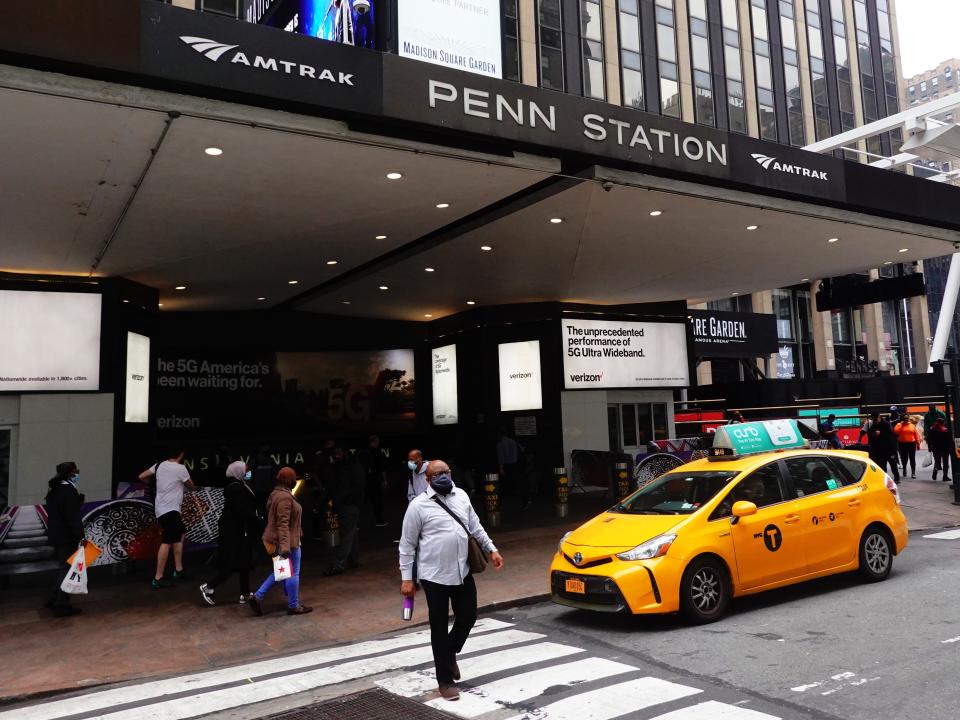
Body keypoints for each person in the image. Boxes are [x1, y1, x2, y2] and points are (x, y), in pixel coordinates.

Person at [399, 460, 504, 701]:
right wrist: (407, 578)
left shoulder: (462, 496)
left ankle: (449, 652)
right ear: (428, 479)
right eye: (437, 474)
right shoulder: (418, 506)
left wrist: (492, 549)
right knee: (438, 627)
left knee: (469, 616)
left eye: (446, 472)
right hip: (434, 575)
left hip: (462, 570)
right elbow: (407, 545)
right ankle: (444, 681)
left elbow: (475, 527)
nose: (443, 476)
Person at [248, 467, 311, 616]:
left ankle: (257, 597)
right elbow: (282, 524)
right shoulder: (284, 497)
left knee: (281, 572)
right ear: (289, 480)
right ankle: (293, 605)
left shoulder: (276, 493)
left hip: (277, 540)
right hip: (285, 542)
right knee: (292, 573)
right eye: (294, 477)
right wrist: (285, 547)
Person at [200, 461, 262, 606]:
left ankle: (245, 593)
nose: (249, 472)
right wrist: (258, 521)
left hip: (239, 530)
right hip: (233, 532)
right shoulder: (235, 488)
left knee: (244, 562)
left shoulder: (239, 485)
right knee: (232, 564)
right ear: (238, 471)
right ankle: (209, 586)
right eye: (246, 470)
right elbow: (242, 510)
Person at [139, 449, 194, 589]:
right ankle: (158, 577)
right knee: (167, 541)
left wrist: (153, 484)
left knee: (180, 533)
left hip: (161, 509)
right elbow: (191, 485)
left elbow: (142, 476)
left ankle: (179, 569)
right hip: (171, 509)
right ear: (181, 454)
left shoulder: (159, 465)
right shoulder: (180, 468)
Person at [44, 461, 86, 617]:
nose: (77, 474)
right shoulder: (68, 490)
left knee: (63, 567)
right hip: (66, 535)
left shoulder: (54, 489)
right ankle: (62, 603)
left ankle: (54, 598)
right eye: (76, 471)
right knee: (67, 569)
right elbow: (72, 516)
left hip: (56, 534)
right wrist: (80, 535)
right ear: (69, 473)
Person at [325, 447, 365, 576]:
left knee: (345, 535)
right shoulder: (346, 467)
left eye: (338, 453)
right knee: (351, 533)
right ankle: (353, 559)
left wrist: (344, 500)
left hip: (348, 505)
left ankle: (338, 564)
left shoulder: (348, 467)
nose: (336, 456)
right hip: (348, 504)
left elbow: (355, 487)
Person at [359, 435, 388, 527]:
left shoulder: (362, 452)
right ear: (375, 442)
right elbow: (382, 468)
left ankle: (356, 523)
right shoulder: (378, 452)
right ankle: (379, 520)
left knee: (361, 501)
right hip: (374, 480)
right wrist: (384, 479)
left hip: (363, 480)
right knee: (376, 501)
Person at [869, 414, 900, 484]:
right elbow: (870, 434)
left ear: (879, 417)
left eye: (876, 419)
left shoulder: (886, 424)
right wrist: (874, 434)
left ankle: (897, 478)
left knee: (893, 464)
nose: (875, 421)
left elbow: (891, 435)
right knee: (882, 465)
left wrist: (881, 433)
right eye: (873, 420)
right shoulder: (873, 425)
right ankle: (884, 479)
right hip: (879, 450)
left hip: (889, 449)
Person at [496, 429, 522, 504]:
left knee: (504, 483)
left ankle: (504, 499)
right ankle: (515, 496)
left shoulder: (500, 443)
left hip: (506, 465)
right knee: (514, 480)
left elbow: (501, 457)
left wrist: (501, 467)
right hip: (514, 464)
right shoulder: (513, 441)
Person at [926, 417, 953, 483]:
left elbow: (929, 439)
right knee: (945, 463)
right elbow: (949, 440)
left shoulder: (932, 429)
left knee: (937, 462)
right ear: (943, 423)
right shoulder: (945, 430)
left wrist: (929, 448)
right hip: (945, 449)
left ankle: (935, 470)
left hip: (935, 449)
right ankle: (945, 476)